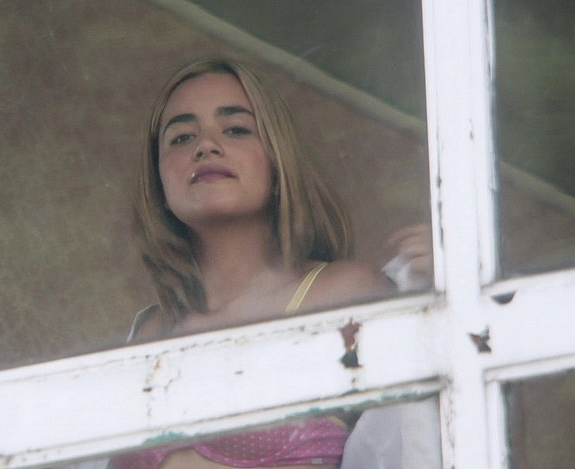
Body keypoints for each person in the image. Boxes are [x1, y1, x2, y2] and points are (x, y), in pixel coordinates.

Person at [106, 58, 435, 469]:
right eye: (181, 137)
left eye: (236, 129)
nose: (205, 146)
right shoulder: (148, 332)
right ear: (158, 180)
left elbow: (423, 437)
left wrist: (450, 284)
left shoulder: (342, 295)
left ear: (278, 161)